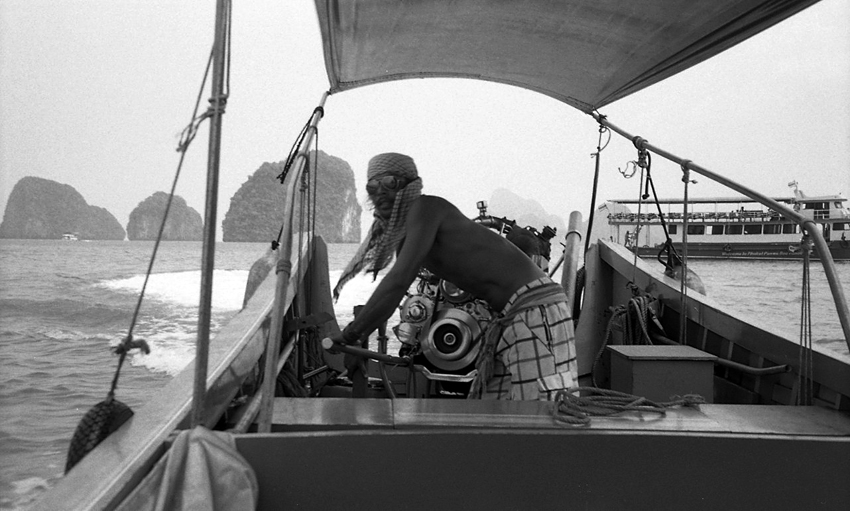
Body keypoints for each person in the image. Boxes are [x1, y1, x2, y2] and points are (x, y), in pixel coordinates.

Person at [330, 152, 577, 401]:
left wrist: (351, 334)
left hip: (535, 308)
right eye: (373, 186)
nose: (380, 192)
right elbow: (392, 294)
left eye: (389, 182)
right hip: (507, 318)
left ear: (408, 185)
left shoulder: (426, 208)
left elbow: (397, 281)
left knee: (543, 410)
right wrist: (357, 340)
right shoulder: (405, 237)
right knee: (492, 410)